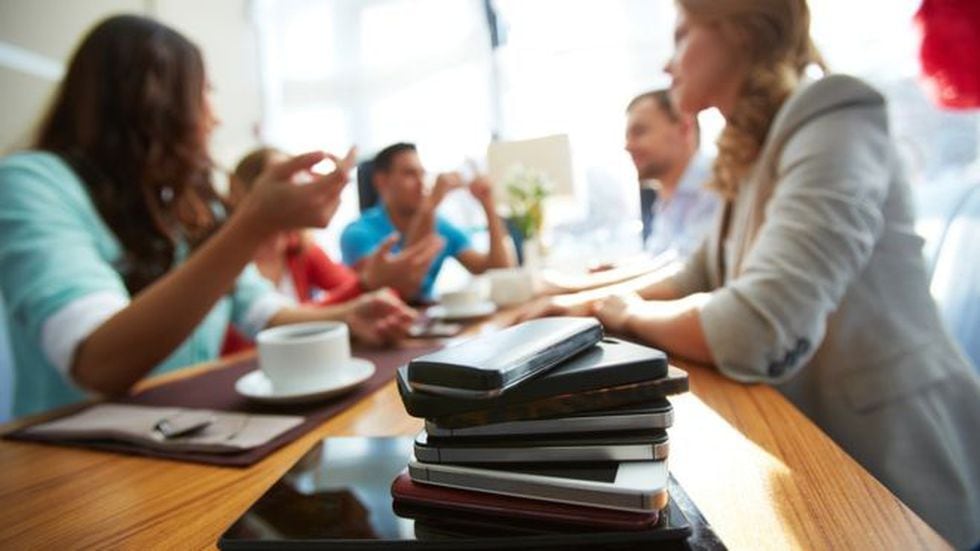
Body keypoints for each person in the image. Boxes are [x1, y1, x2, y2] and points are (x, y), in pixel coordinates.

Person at [532, 0, 980, 546]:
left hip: (892, 463)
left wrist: (620, 310)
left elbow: (758, 325)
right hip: (809, 446)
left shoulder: (835, 113)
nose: (668, 64)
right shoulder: (752, 146)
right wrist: (576, 308)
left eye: (682, 35)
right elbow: (695, 273)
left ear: (739, 31)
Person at [0, 15, 415, 418]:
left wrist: (346, 316)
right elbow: (96, 364)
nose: (214, 117)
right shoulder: (32, 184)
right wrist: (253, 224)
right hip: (67, 464)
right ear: (151, 103)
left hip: (185, 435)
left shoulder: (191, 205)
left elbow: (260, 310)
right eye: (203, 94)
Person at [340, 143, 515, 302]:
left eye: (422, 173)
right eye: (409, 174)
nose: (421, 182)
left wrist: (488, 204)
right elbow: (401, 290)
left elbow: (498, 269)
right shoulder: (356, 234)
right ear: (382, 181)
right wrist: (430, 206)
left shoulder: (440, 225)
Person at [626, 89, 718, 258]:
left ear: (684, 128)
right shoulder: (667, 199)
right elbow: (658, 263)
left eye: (639, 132)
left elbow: (685, 273)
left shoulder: (718, 186)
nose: (628, 146)